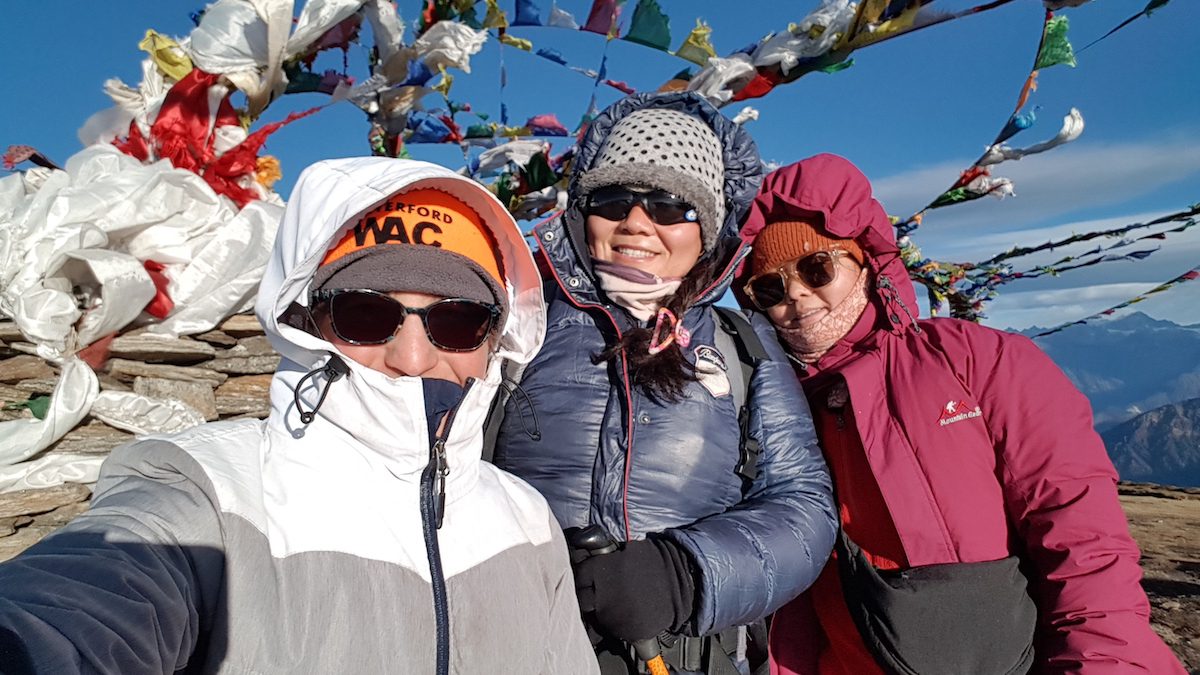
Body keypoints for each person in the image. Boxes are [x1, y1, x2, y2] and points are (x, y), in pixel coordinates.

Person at [0, 158, 598, 675]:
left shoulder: (526, 519)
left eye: (458, 320)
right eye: (365, 314)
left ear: (498, 338)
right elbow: (76, 608)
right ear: (306, 324)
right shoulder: (210, 493)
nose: (412, 358)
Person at [736, 153, 1185, 675]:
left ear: (866, 262)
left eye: (817, 268)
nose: (795, 294)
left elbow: (1080, 532)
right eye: (770, 287)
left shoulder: (980, 360)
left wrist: (1107, 663)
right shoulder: (769, 403)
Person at [492, 91, 837, 675]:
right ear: (582, 213)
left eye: (671, 206)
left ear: (708, 231)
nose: (636, 223)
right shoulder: (516, 319)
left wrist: (685, 573)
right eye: (612, 199)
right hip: (515, 646)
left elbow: (804, 505)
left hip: (684, 656)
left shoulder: (743, 346)